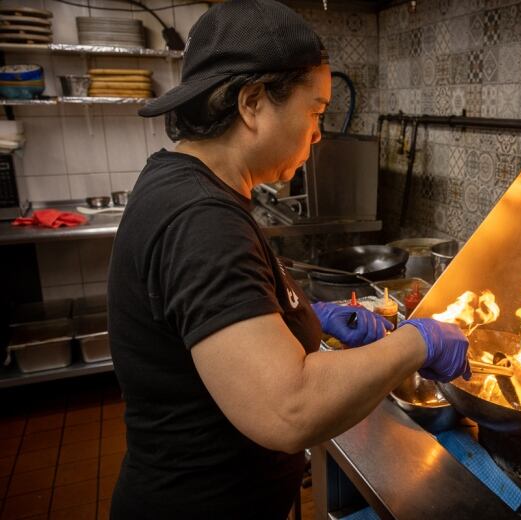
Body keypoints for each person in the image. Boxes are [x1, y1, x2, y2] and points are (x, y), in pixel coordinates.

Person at [106, 1, 471, 518]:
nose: (319, 133)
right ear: (253, 103)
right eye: (316, 112)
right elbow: (288, 408)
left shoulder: (181, 183)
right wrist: (418, 341)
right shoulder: (200, 218)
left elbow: (211, 319)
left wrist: (299, 316)